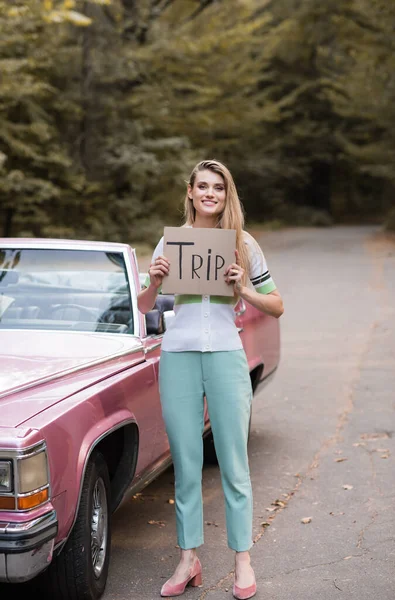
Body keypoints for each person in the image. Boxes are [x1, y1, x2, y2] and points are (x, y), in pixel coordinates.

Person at [137, 159, 283, 599]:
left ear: (226, 194)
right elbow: (145, 305)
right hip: (179, 355)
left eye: (217, 187)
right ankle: (189, 558)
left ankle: (242, 560)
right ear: (190, 192)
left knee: (234, 463)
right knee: (185, 463)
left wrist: (244, 290)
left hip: (225, 354)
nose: (209, 193)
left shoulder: (243, 244)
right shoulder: (171, 241)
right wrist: (155, 280)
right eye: (202, 186)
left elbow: (276, 304)